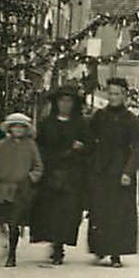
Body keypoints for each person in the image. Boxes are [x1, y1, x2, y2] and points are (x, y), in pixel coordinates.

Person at [86, 78, 139, 267]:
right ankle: (101, 248)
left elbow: (136, 148)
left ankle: (116, 253)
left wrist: (128, 171)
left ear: (125, 95)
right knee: (100, 210)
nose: (113, 97)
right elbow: (89, 139)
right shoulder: (99, 117)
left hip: (121, 172)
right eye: (110, 93)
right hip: (101, 170)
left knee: (119, 213)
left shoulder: (131, 120)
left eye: (117, 94)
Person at [30, 86, 88, 264]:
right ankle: (56, 246)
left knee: (69, 212)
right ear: (56, 103)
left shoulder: (81, 124)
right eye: (61, 100)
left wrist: (81, 148)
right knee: (52, 211)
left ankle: (61, 242)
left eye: (69, 101)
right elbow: (39, 147)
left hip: (73, 174)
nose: (65, 104)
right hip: (51, 172)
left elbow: (90, 147)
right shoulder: (47, 123)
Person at [0, 113, 44, 268]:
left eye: (21, 127)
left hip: (21, 189)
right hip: (3, 189)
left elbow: (38, 166)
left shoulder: (30, 145)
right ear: (9, 128)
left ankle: (12, 254)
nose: (18, 129)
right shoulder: (2, 145)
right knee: (1, 218)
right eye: (15, 126)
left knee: (14, 222)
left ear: (26, 129)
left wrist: (31, 178)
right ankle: (5, 242)